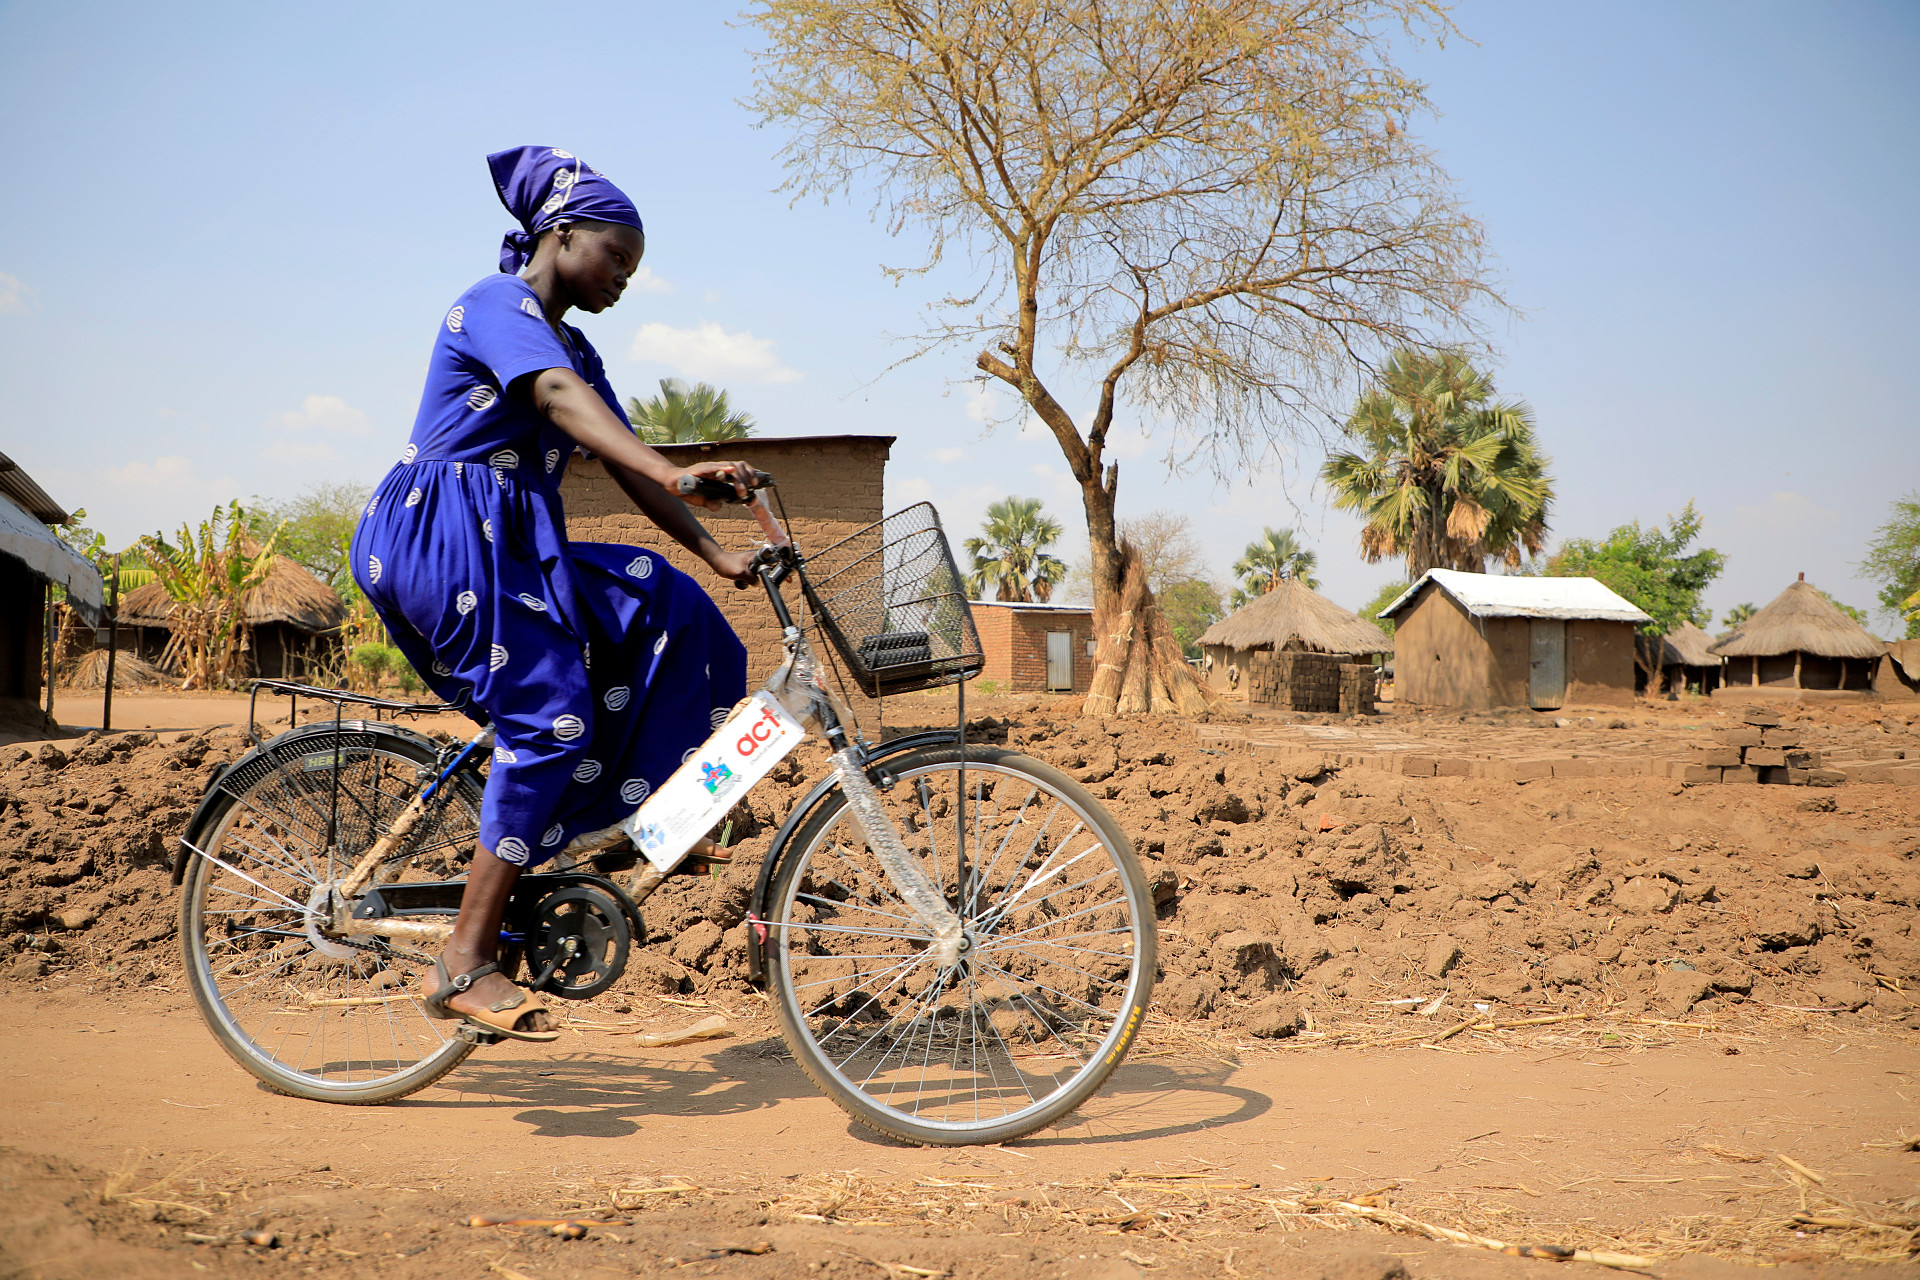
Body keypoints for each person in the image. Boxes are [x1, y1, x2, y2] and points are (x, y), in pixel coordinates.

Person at [350, 146, 755, 1042]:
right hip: (444, 535)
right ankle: (463, 959)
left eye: (633, 269)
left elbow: (626, 459)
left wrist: (716, 551)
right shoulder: (497, 305)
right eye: (616, 256)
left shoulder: (575, 345)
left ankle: (636, 820)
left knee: (670, 602)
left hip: (515, 546)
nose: (623, 278)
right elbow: (559, 397)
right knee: (549, 719)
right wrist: (673, 472)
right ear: (561, 234)